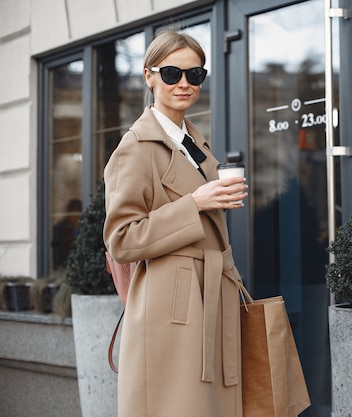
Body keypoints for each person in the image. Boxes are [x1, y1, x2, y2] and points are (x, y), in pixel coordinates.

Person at [103, 29, 248, 417]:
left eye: (195, 75)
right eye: (171, 74)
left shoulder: (193, 143)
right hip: (172, 305)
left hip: (210, 293)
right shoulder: (134, 149)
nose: (184, 84)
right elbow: (121, 239)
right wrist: (194, 203)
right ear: (149, 76)